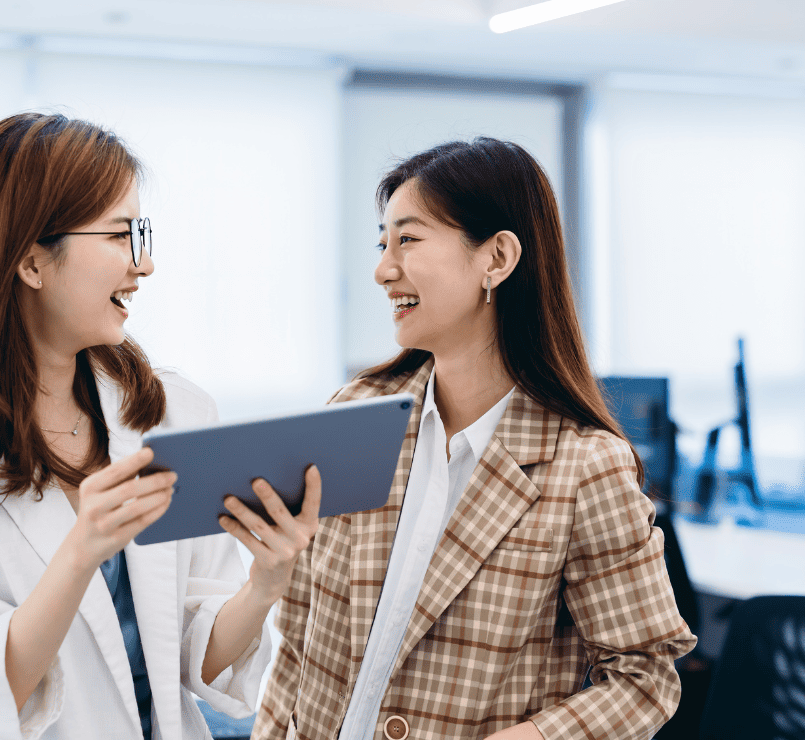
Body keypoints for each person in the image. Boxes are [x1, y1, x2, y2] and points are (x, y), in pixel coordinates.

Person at [0, 112, 320, 740]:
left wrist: (267, 582)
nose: (145, 263)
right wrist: (81, 552)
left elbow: (194, 659)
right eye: (119, 235)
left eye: (141, 232)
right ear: (30, 262)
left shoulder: (175, 412)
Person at [253, 139, 696, 740]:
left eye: (407, 240)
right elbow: (300, 632)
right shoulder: (357, 416)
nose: (384, 269)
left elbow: (645, 678)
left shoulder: (583, 465)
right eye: (382, 244)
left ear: (497, 259)